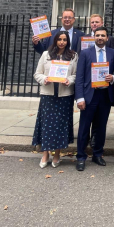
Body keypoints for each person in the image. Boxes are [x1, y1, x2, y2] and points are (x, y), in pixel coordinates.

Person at [32, 32, 78, 168]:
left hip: (64, 96)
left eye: (64, 40)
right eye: (59, 39)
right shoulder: (46, 54)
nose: (62, 42)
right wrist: (44, 79)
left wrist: (68, 80)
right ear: (55, 40)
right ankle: (45, 153)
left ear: (67, 41)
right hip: (48, 95)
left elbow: (75, 74)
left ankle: (57, 154)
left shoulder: (73, 56)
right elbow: (37, 73)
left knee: (60, 126)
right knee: (47, 125)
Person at [75, 27, 114, 171]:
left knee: (100, 127)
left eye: (103, 36)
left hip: (105, 95)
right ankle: (81, 156)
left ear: (107, 38)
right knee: (84, 128)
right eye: (97, 35)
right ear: (94, 37)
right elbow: (80, 77)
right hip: (89, 96)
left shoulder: (113, 53)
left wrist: (113, 77)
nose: (100, 37)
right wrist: (79, 97)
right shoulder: (86, 53)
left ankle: (97, 154)